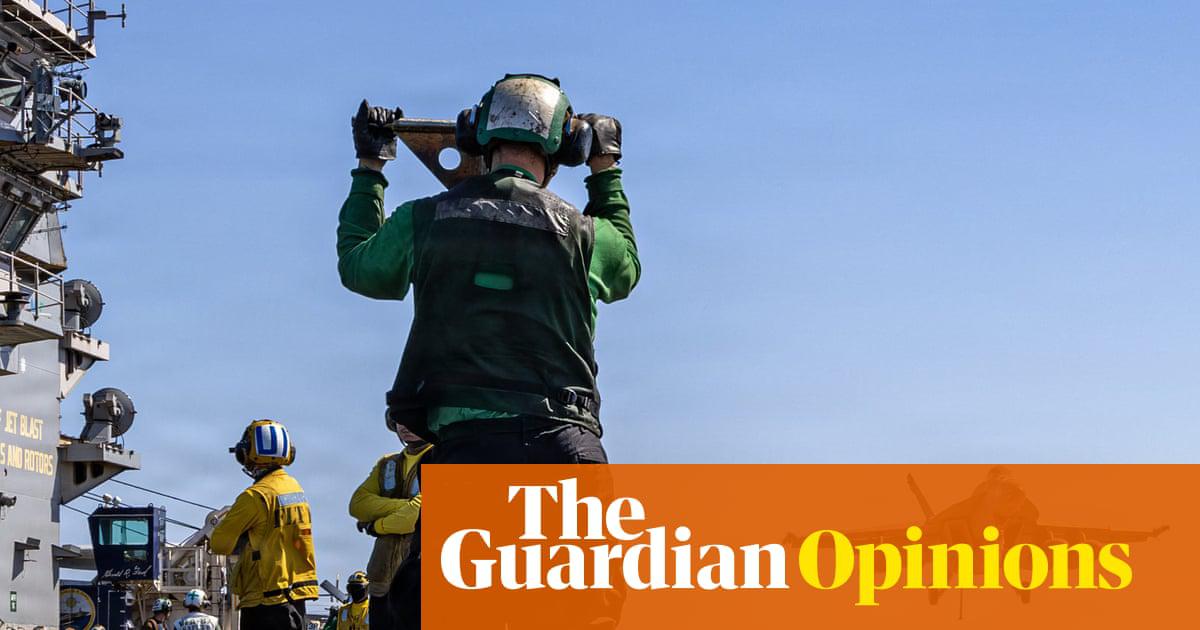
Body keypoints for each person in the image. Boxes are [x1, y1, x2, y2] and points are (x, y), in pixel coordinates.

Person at [337, 72, 638, 464]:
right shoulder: (584, 234)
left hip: (469, 450)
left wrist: (370, 167)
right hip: (565, 445)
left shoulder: (425, 219)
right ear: (566, 147)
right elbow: (625, 269)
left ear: (474, 135)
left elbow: (360, 268)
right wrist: (605, 170)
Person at [211, 420, 318, 630]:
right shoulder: (295, 489)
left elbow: (219, 544)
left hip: (265, 599)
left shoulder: (254, 496)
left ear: (248, 454)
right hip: (296, 597)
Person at [348, 422, 432, 627]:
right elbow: (357, 505)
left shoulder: (441, 458)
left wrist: (376, 526)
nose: (405, 425)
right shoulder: (387, 464)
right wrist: (407, 505)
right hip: (382, 581)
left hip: (419, 581)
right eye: (399, 419)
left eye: (411, 417)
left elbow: (417, 515)